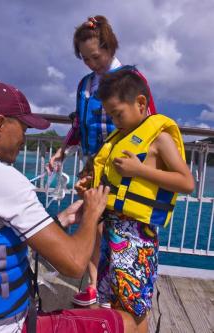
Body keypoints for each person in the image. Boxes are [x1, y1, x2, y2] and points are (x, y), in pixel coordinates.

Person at [0, 80, 138, 333]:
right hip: (6, 328)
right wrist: (92, 213)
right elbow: (74, 263)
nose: (25, 138)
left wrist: (61, 219)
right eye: (23, 127)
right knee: (124, 322)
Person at [48, 15, 157, 308]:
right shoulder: (85, 84)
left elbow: (151, 123)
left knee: (121, 225)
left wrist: (146, 167)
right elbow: (79, 123)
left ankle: (123, 285)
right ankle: (97, 285)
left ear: (109, 47)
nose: (91, 63)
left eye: (95, 56)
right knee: (91, 222)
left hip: (124, 165)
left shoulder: (130, 80)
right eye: (84, 58)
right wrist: (62, 150)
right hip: (91, 165)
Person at [77, 68, 194, 333]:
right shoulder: (119, 138)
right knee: (112, 301)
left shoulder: (159, 139)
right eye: (111, 115)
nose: (115, 121)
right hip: (112, 231)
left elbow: (186, 182)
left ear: (141, 103)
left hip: (137, 237)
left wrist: (140, 170)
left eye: (118, 114)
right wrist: (88, 189)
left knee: (135, 307)